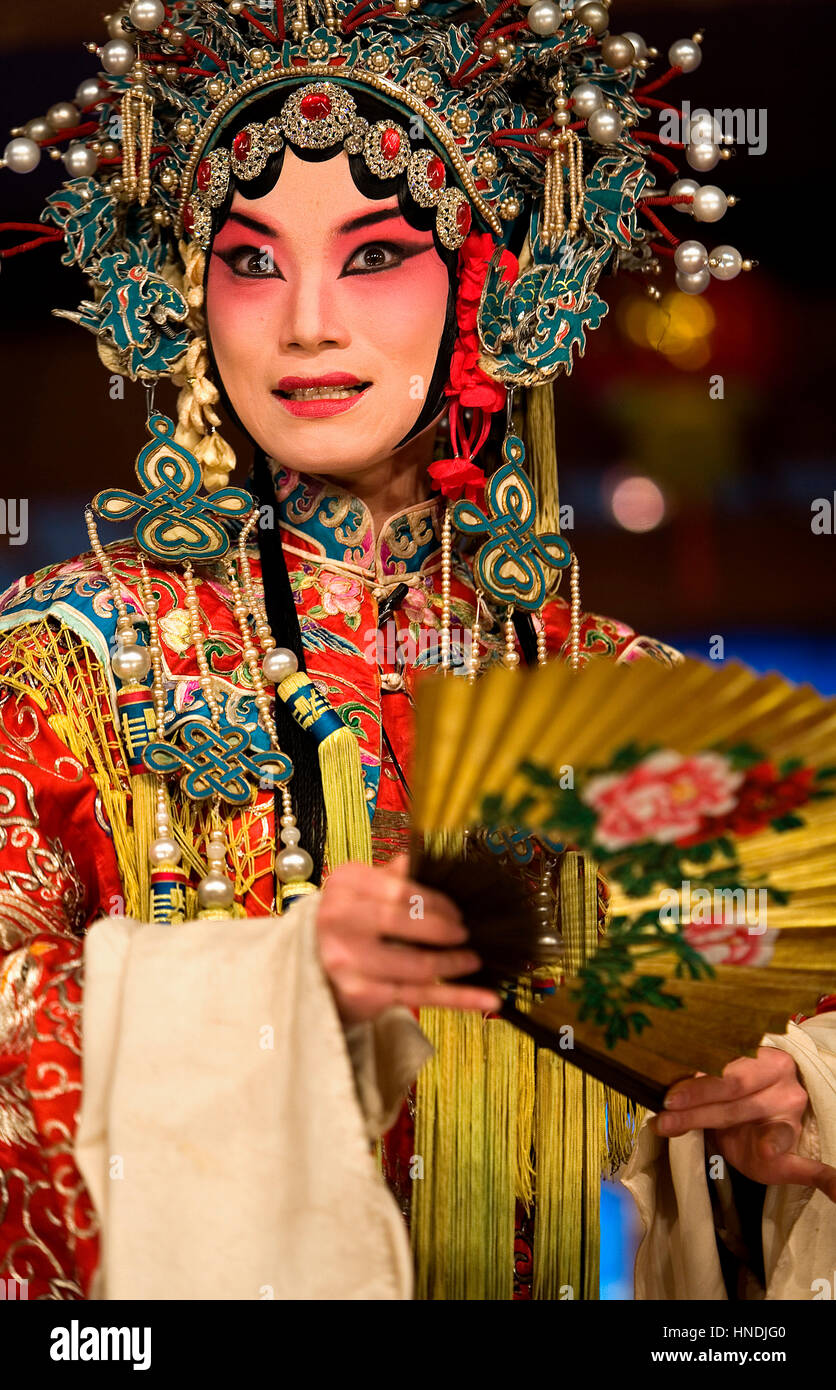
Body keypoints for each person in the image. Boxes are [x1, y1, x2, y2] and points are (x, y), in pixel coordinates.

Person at [0, 0, 832, 1301]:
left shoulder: (615, 694)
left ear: (490, 285)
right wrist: (271, 991)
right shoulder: (65, 662)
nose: (308, 322)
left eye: (377, 251)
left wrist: (792, 1099)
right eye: (255, 259)